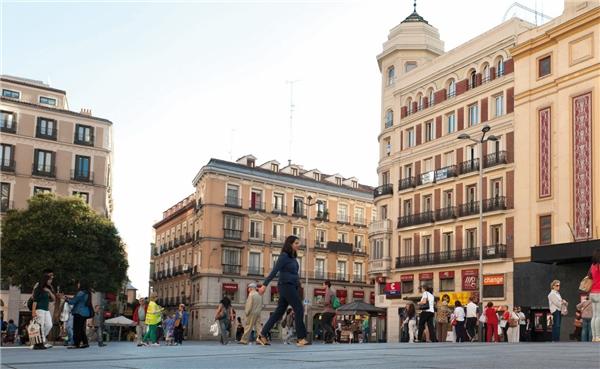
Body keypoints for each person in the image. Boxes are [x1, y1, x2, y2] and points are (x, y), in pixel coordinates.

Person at [257, 235, 309, 346]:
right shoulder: (284, 257)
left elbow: (295, 274)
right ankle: (301, 338)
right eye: (296, 243)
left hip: (292, 286)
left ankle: (262, 335)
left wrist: (298, 286)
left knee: (279, 312)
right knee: (299, 308)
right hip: (285, 285)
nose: (298, 245)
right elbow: (274, 271)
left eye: (298, 243)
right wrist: (264, 285)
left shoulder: (293, 258)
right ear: (290, 244)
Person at [31, 273, 56, 350]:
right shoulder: (38, 288)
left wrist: (49, 291)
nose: (51, 281)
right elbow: (34, 301)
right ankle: (39, 343)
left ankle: (41, 340)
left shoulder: (48, 288)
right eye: (50, 279)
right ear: (46, 280)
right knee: (40, 326)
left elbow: (54, 299)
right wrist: (33, 311)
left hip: (46, 310)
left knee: (49, 325)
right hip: (39, 309)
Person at [67, 281, 93, 349]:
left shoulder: (81, 292)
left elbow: (73, 301)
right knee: (81, 328)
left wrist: (66, 299)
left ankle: (76, 344)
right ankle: (85, 343)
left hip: (79, 312)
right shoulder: (87, 293)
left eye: (79, 283)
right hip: (85, 313)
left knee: (76, 329)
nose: (77, 285)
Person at [588, 249, 600, 342]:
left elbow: (589, 277)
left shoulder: (592, 266)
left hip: (592, 293)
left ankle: (594, 337)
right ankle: (598, 336)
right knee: (598, 315)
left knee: (594, 316)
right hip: (599, 292)